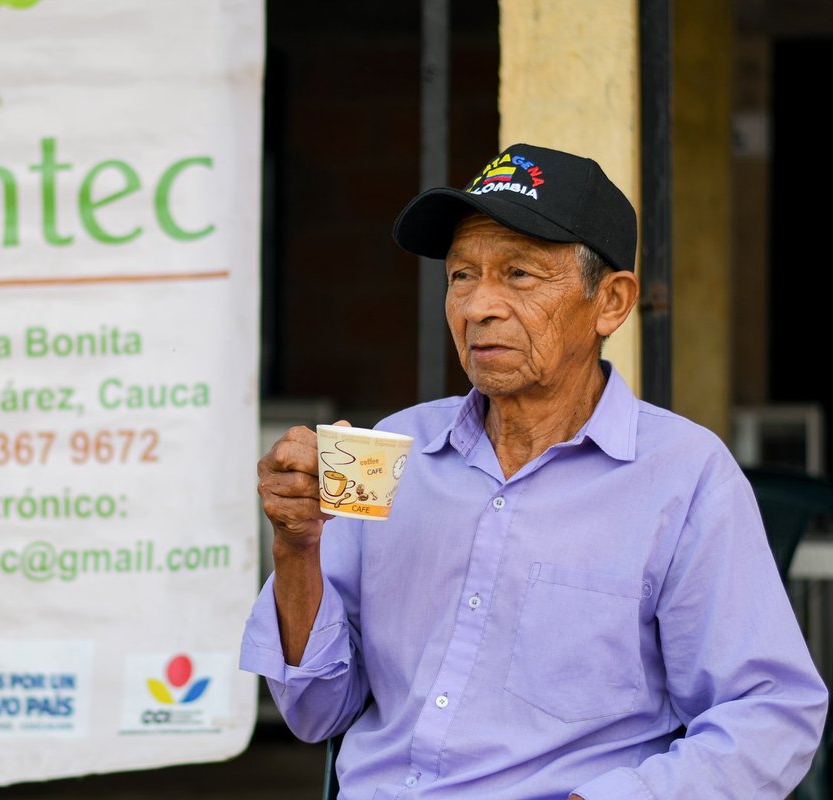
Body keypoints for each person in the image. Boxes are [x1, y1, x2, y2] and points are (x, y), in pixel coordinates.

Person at [241, 143, 829, 799]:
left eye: (518, 274)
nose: (477, 307)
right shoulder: (393, 453)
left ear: (611, 302)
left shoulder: (682, 477)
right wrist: (297, 548)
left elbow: (770, 715)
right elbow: (316, 712)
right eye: (461, 276)